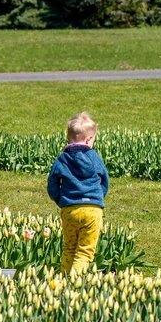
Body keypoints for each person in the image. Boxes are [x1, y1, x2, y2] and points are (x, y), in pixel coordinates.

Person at [47, 112, 110, 275]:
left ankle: (63, 280)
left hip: (70, 210)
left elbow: (52, 184)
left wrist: (61, 199)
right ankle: (74, 284)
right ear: (89, 139)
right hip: (93, 211)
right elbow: (105, 181)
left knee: (69, 248)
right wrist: (97, 197)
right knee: (84, 252)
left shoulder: (62, 159)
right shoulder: (94, 157)